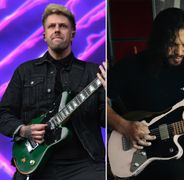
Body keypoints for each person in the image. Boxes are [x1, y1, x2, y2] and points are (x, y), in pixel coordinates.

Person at [0, 4, 106, 180]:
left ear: (73, 33)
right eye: (51, 26)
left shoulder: (94, 73)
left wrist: (108, 93)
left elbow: (104, 119)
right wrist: (24, 130)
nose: (57, 30)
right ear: (44, 35)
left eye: (63, 26)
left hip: (83, 163)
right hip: (35, 162)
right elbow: (3, 114)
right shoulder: (25, 71)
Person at [107, 7, 184, 180]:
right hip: (150, 154)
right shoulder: (132, 66)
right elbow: (98, 100)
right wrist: (125, 126)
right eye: (172, 45)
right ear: (158, 41)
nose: (180, 53)